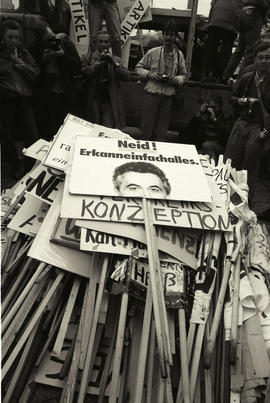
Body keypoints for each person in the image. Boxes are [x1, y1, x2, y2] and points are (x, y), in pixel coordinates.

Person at [224, 37, 270, 203]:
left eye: (268, 57)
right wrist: (239, 101)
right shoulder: (248, 77)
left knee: (249, 170)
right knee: (229, 163)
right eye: (261, 57)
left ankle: (246, 206)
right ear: (255, 58)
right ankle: (225, 200)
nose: (264, 61)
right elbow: (233, 98)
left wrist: (264, 134)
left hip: (258, 128)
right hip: (241, 124)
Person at [0, 19, 39, 179]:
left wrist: (19, 64)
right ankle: (15, 166)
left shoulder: (23, 54)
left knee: (32, 135)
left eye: (16, 37)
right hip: (5, 101)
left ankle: (29, 166)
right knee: (7, 137)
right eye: (10, 37)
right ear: (3, 37)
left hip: (23, 100)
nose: (14, 41)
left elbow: (35, 73)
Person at [135, 20, 186, 142]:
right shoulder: (153, 52)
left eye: (172, 35)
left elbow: (184, 75)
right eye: (167, 34)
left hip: (167, 98)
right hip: (152, 96)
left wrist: (176, 80)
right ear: (163, 35)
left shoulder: (179, 55)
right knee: (146, 131)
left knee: (161, 133)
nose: (169, 37)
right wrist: (150, 74)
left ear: (175, 37)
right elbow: (138, 68)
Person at [28, 22, 81, 139]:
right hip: (46, 98)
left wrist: (63, 56)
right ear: (40, 41)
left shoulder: (64, 43)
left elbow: (77, 67)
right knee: (48, 131)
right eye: (48, 40)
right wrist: (43, 61)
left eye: (53, 37)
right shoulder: (34, 49)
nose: (53, 42)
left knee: (67, 130)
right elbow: (32, 75)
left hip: (65, 94)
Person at [81, 30, 129, 129]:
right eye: (101, 41)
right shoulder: (87, 57)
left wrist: (114, 63)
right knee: (92, 129)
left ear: (110, 44)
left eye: (106, 42)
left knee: (107, 130)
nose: (103, 44)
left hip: (109, 101)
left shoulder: (116, 59)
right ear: (95, 43)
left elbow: (126, 76)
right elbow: (82, 73)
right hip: (93, 99)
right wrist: (95, 66)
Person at [223, 0, 270, 81]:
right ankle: (241, 81)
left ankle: (225, 76)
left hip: (243, 13)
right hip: (254, 14)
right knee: (251, 50)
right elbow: (265, 4)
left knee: (239, 50)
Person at [201, 0, 242, 81]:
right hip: (230, 23)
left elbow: (212, 4)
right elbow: (240, 12)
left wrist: (210, 22)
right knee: (226, 51)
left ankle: (205, 74)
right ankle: (221, 76)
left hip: (216, 20)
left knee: (210, 48)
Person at [185, 96, 231, 160]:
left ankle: (212, 160)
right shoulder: (205, 115)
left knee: (206, 145)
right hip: (203, 146)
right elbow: (190, 128)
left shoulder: (225, 117)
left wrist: (215, 120)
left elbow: (226, 133)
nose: (213, 109)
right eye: (211, 107)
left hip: (218, 146)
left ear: (220, 107)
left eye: (215, 107)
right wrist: (199, 113)